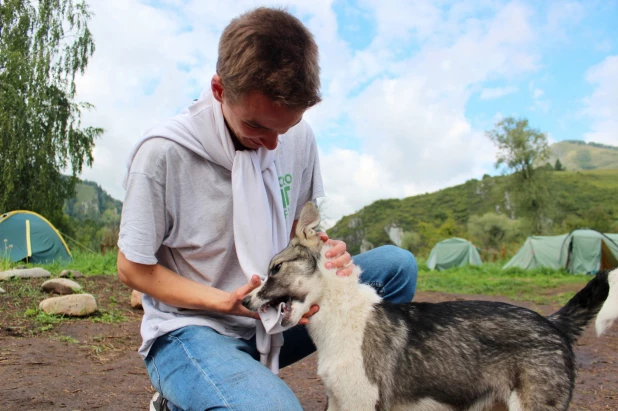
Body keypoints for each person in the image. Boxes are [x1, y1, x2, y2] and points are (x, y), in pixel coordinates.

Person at [117, 7, 418, 411]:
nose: (274, 145)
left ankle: (356, 386)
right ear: (220, 90)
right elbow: (132, 268)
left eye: (285, 128)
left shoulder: (298, 139)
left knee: (397, 268)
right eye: (258, 127)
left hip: (273, 312)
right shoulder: (162, 156)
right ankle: (182, 397)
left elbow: (301, 232)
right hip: (192, 328)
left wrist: (327, 256)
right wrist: (220, 301)